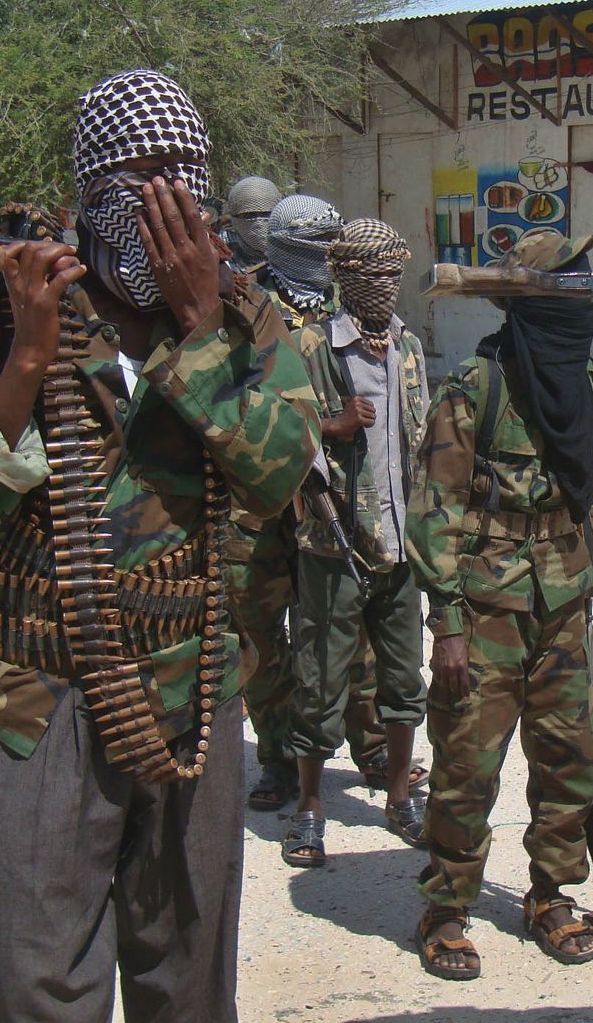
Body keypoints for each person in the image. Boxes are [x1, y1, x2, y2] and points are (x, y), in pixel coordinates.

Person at [0, 69, 320, 1022]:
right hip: (41, 695)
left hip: (194, 698)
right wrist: (26, 355)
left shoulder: (254, 320)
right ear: (92, 181)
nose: (166, 197)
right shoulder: (20, 307)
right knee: (38, 981)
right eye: (140, 173)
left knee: (186, 975)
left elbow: (275, 477)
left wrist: (199, 327)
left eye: (186, 172)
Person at [405, 232, 593, 980]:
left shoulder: (578, 382)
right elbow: (432, 514)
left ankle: (552, 895)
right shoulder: (472, 387)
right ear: (535, 303)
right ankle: (447, 906)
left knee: (568, 760)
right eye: (570, 287)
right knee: (467, 761)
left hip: (563, 603)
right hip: (485, 609)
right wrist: (448, 628)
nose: (583, 301)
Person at [235, 195, 422, 811]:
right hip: (266, 502)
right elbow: (238, 407)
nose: (321, 260)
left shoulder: (375, 330)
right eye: (308, 248)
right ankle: (278, 757)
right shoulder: (248, 305)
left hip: (349, 508)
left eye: (329, 246)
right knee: (267, 634)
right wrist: (322, 429)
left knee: (358, 630)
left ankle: (370, 746)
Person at [282, 217, 429, 866]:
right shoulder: (311, 344)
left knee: (403, 678)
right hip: (333, 543)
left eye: (393, 272)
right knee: (319, 679)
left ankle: (399, 797)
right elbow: (279, 435)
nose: (384, 286)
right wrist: (332, 426)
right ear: (343, 276)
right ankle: (309, 807)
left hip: (400, 544)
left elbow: (419, 441)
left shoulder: (409, 347)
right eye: (372, 274)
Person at [222, 175, 282, 270]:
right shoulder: (222, 250)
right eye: (249, 215)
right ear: (235, 218)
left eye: (266, 213)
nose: (258, 222)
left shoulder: (290, 247)